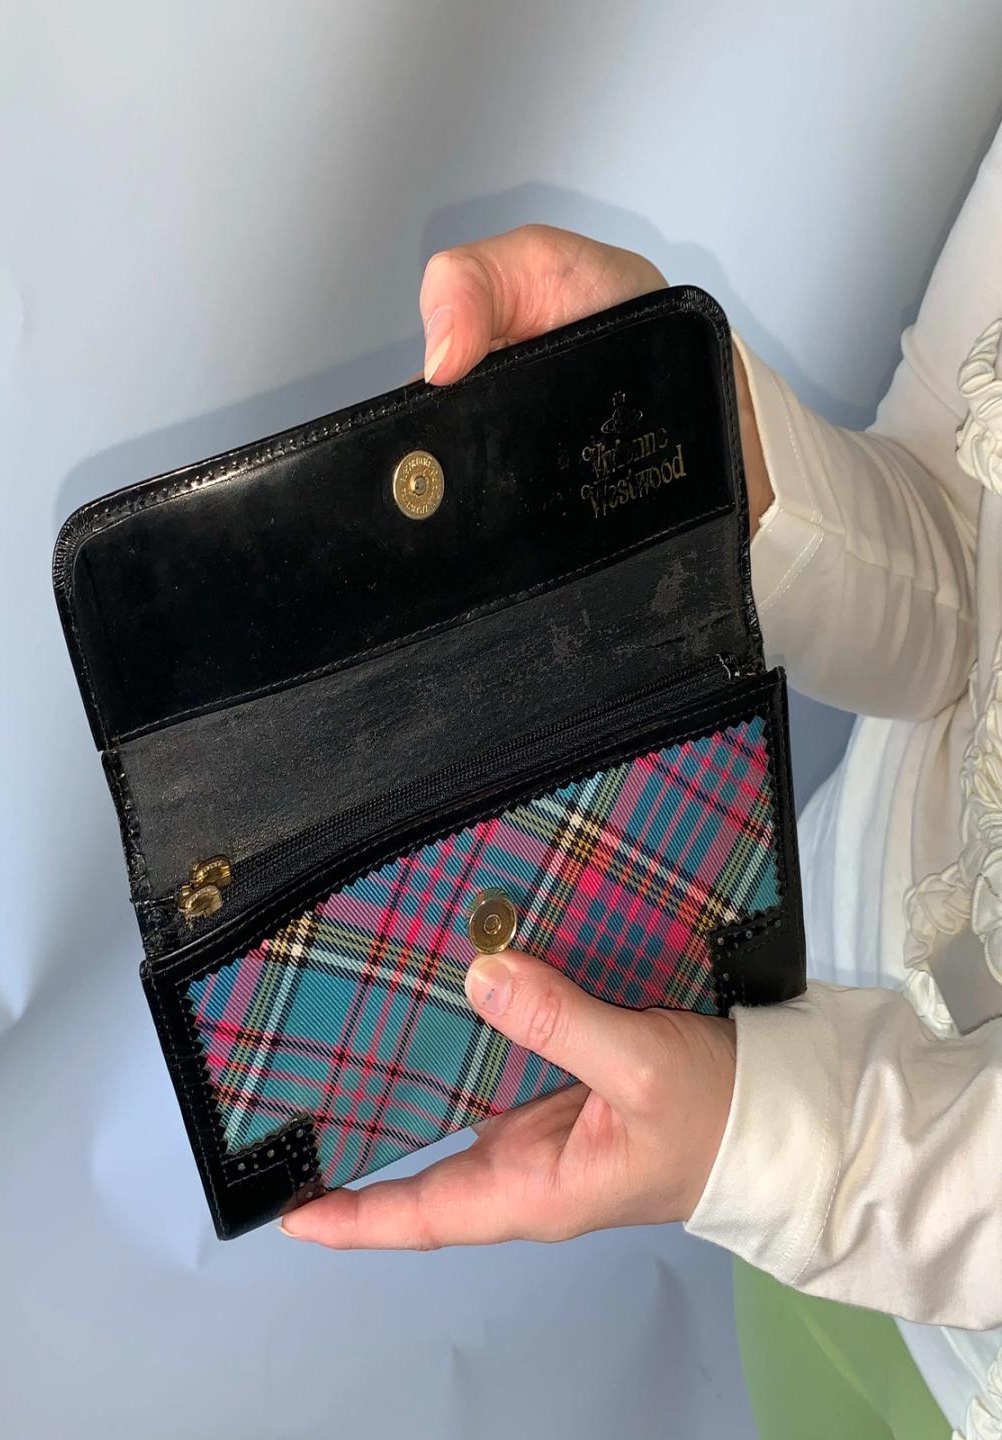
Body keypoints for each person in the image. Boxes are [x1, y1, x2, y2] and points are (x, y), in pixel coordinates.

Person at [281, 123, 1002, 1439]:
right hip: (797, 1036)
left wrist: (769, 1141)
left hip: (861, 1214)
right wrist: (708, 449)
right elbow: (964, 555)